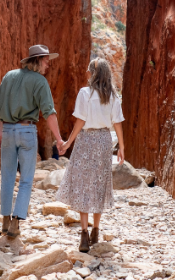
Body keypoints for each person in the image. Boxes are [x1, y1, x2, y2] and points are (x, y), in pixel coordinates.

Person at [56, 58, 125, 252]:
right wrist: (121, 146)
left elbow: (80, 121)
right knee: (99, 184)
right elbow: (117, 122)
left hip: (86, 141)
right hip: (104, 141)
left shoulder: (85, 94)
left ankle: (84, 235)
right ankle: (96, 230)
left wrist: (68, 142)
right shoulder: (113, 96)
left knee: (84, 185)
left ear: (93, 74)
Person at [0, 44, 65, 238]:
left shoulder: (9, 76)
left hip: (8, 130)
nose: (48, 65)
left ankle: (5, 221)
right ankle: (16, 224)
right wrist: (59, 139)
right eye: (45, 61)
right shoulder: (40, 81)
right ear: (37, 61)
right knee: (26, 180)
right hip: (27, 131)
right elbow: (49, 113)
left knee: (8, 177)